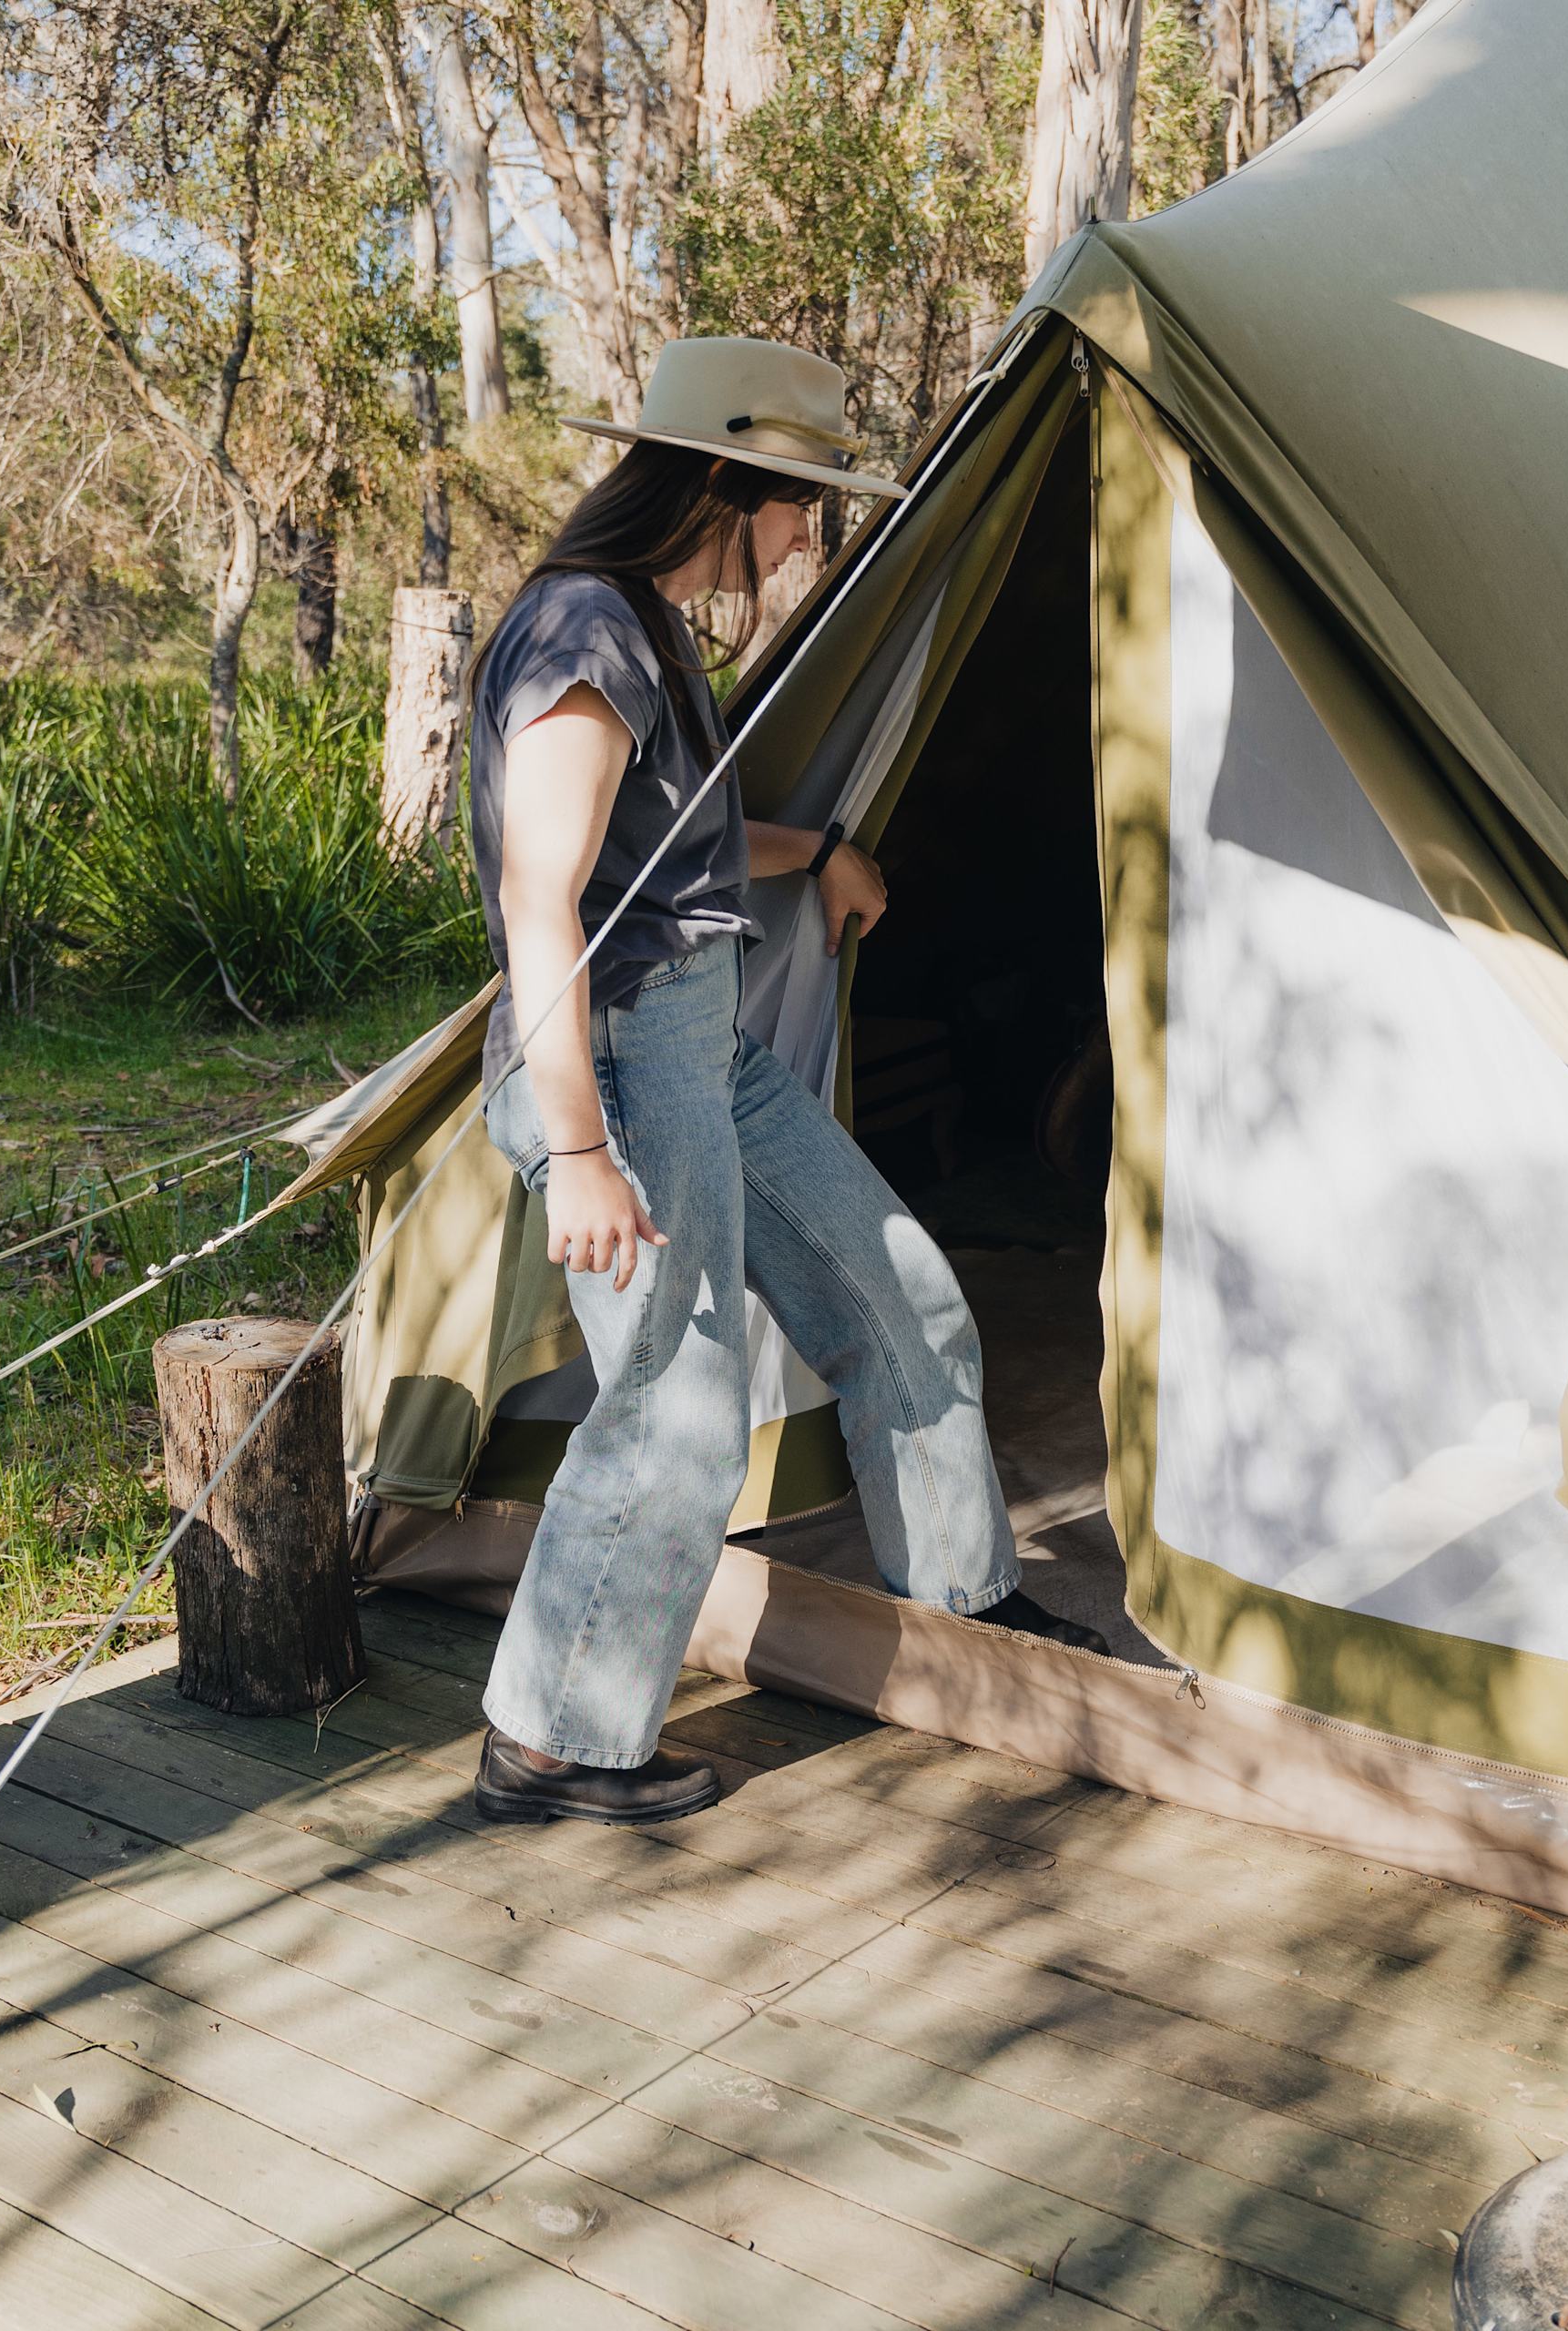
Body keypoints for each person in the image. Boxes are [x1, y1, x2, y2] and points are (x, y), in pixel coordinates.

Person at [465, 337, 1109, 1828]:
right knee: (675, 1408)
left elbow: (669, 844)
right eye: (798, 502)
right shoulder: (585, 631)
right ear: (720, 486)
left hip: (703, 1048)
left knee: (900, 1294)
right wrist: (581, 1149)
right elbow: (540, 898)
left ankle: (961, 1602)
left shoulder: (647, 624)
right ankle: (550, 1743)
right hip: (620, 1063)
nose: (809, 533)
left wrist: (816, 849)